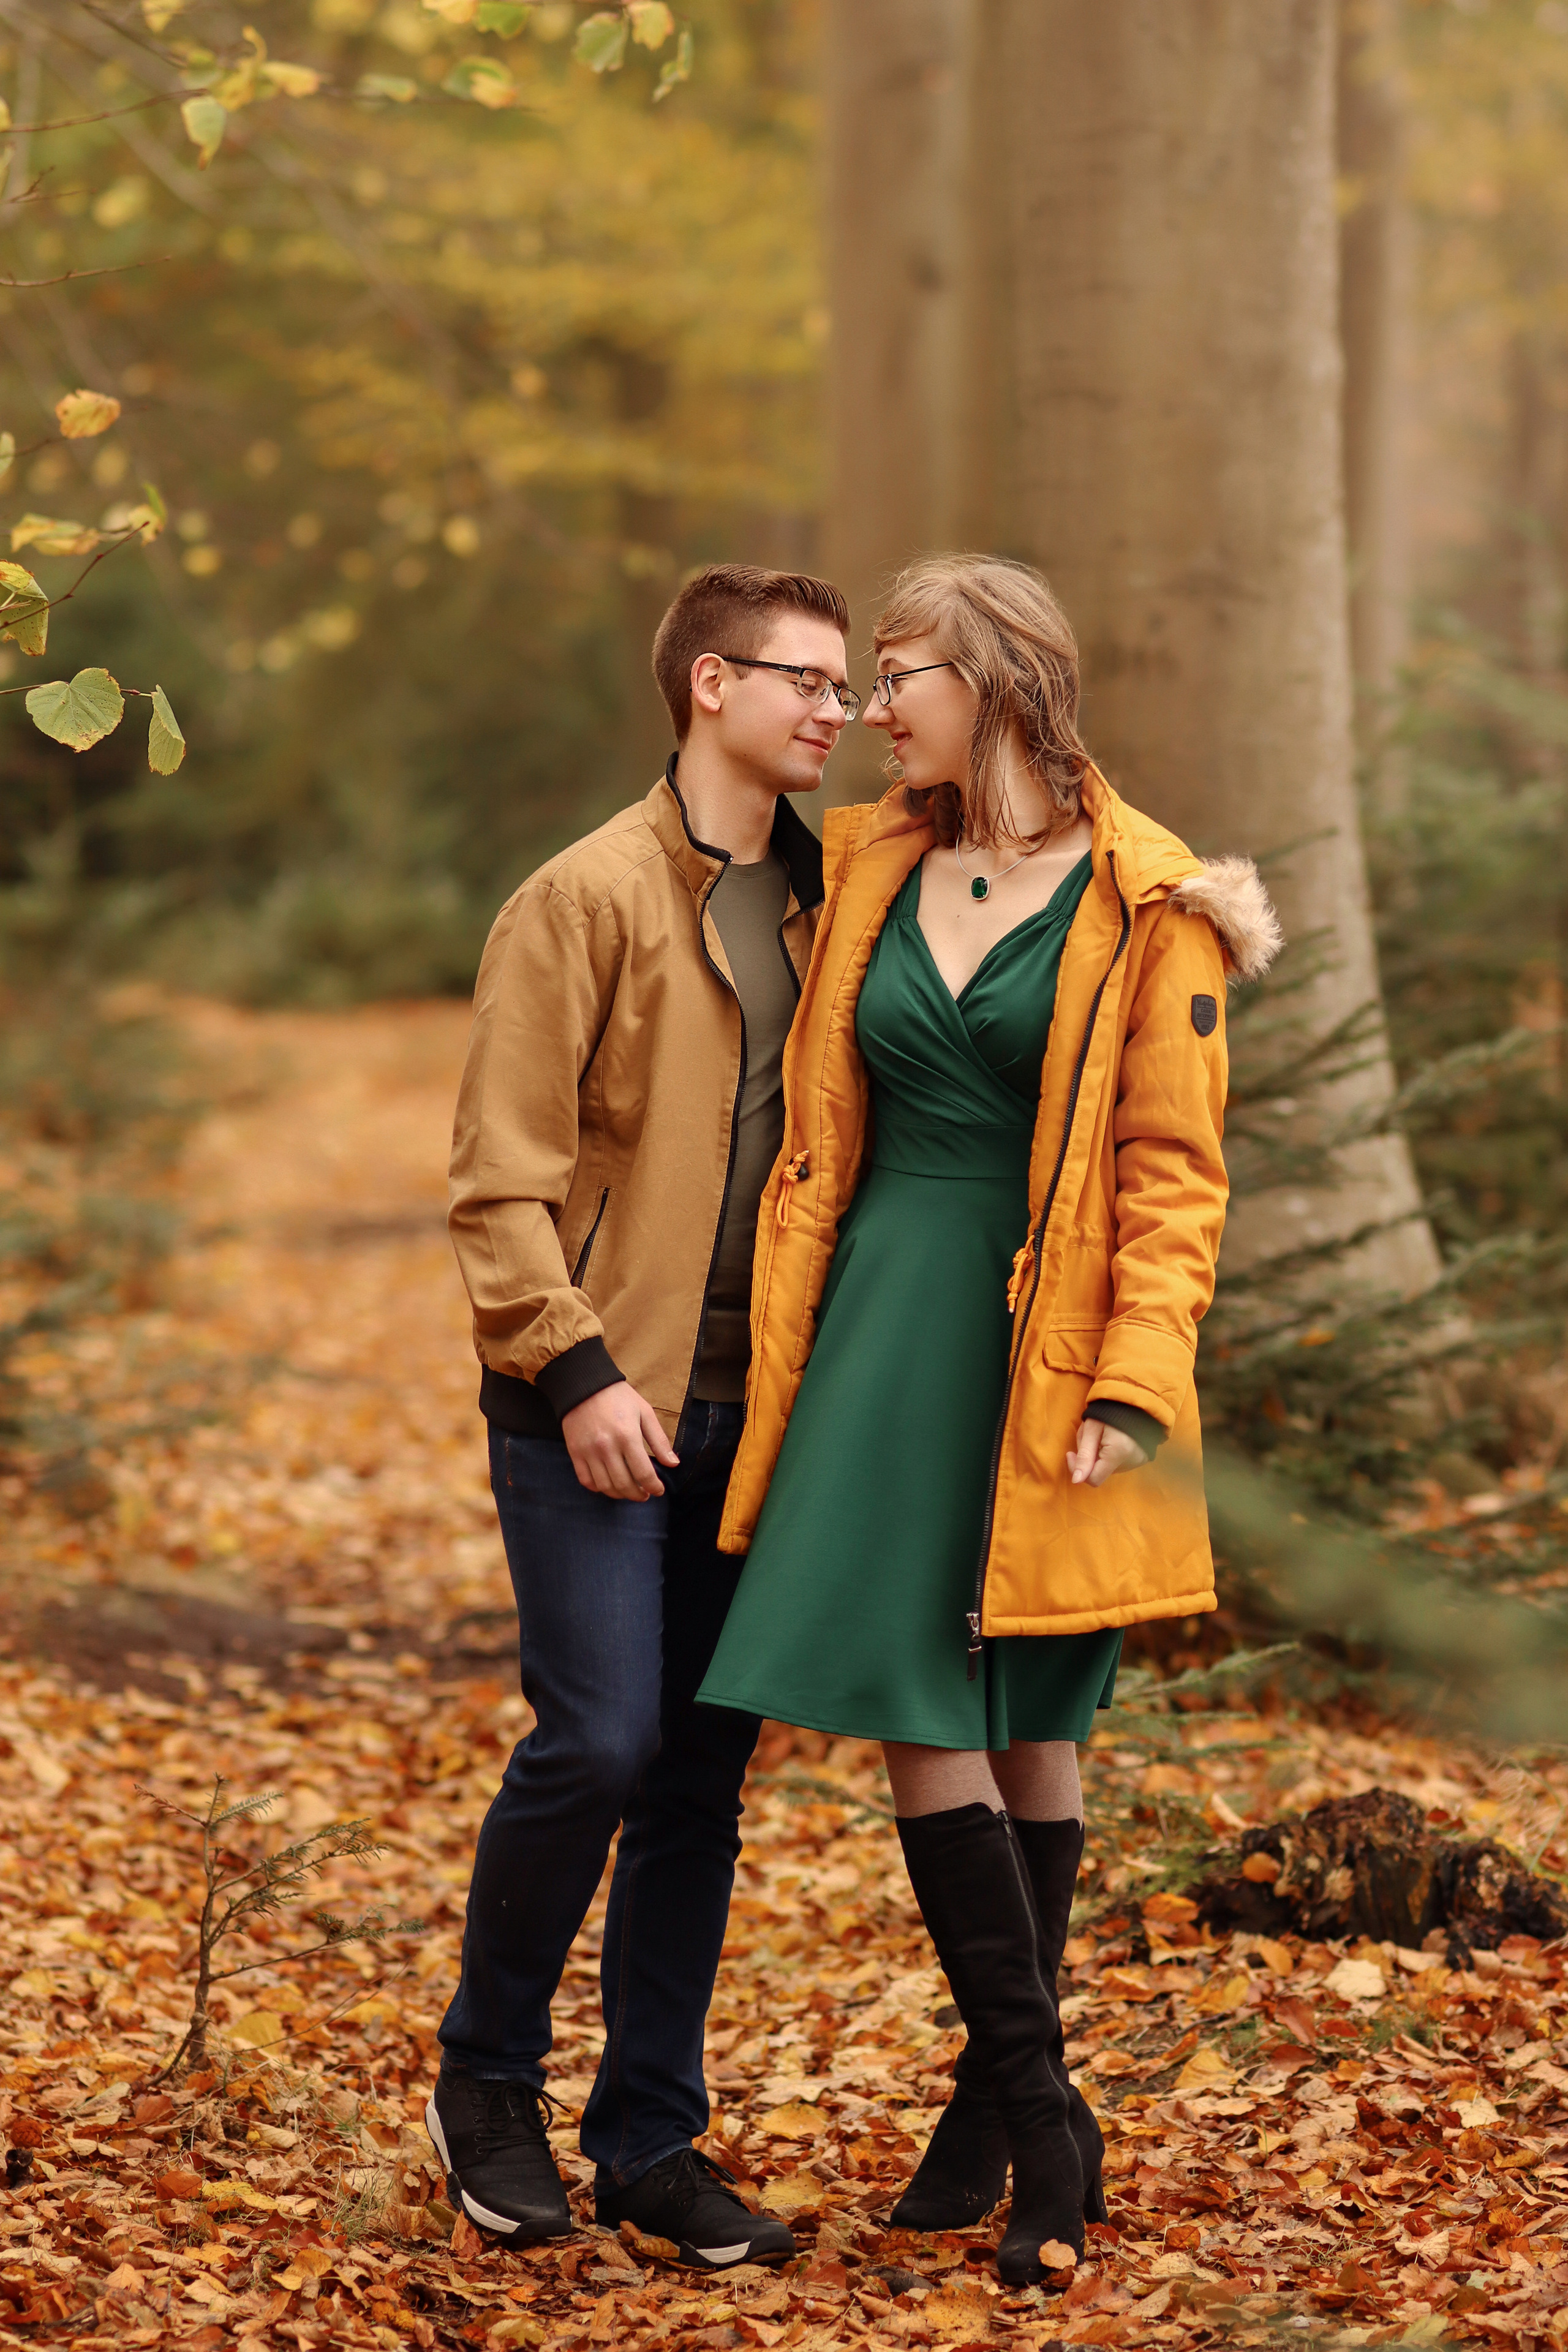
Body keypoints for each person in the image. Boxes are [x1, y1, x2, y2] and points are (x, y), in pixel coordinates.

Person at [697, 554, 1282, 2285]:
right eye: (870, 677)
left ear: (1004, 681)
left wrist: (1135, 1381)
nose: (875, 708)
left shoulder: (1153, 904)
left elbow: (1174, 1177)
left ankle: (999, 2112)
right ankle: (1041, 2111)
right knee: (915, 1693)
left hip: (1049, 1332)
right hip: (884, 1314)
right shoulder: (870, 861)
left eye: (904, 675)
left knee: (1028, 1700)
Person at [429, 563, 860, 2269]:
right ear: (709, 685)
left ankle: (651, 2141)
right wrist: (578, 1370)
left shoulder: (840, 901)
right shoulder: (583, 897)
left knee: (697, 1778)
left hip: (763, 1415)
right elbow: (497, 1184)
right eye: (806, 679)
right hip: (596, 1404)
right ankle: (487, 2085)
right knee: (597, 1741)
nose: (837, 711)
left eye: (847, 685)